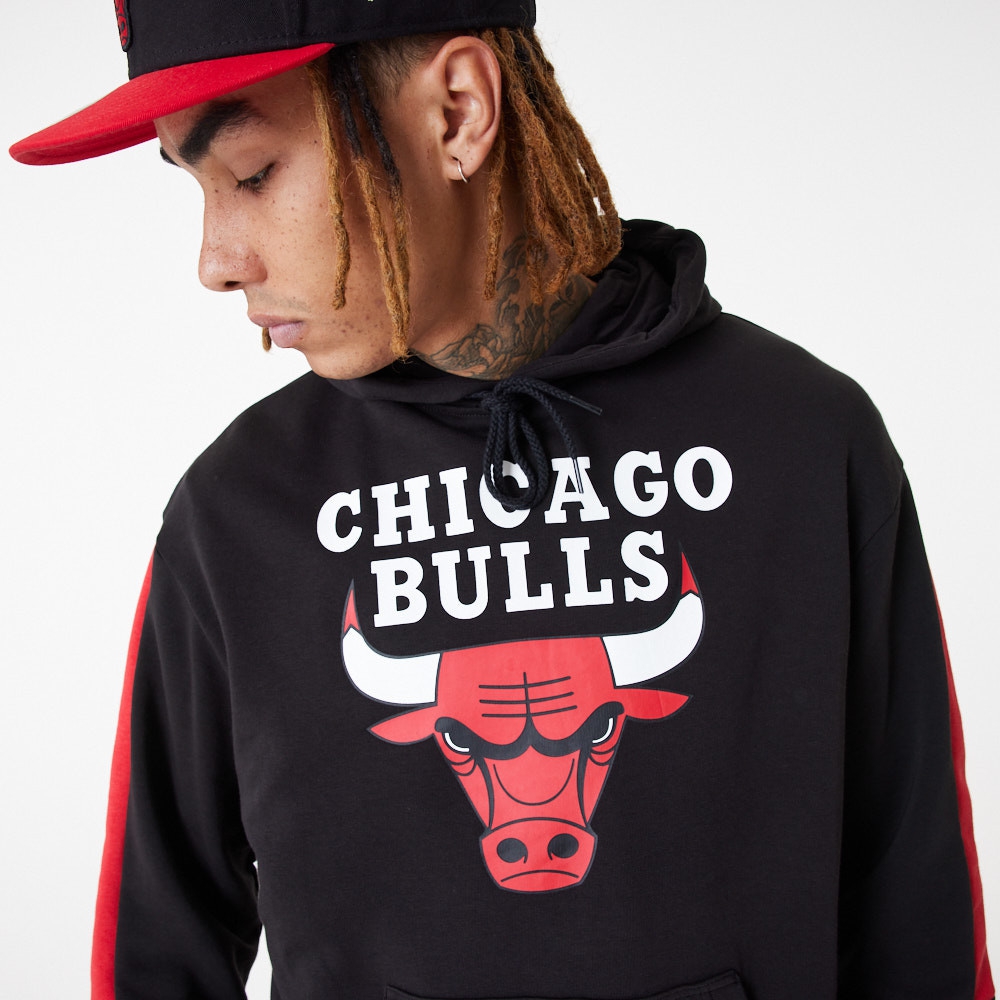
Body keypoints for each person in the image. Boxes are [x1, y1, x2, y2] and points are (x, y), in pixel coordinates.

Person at [10, 1, 993, 998]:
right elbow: (160, 942)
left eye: (254, 172)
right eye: (199, 187)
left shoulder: (801, 443)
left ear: (457, 111)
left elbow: (918, 910)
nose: (216, 262)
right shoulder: (236, 512)